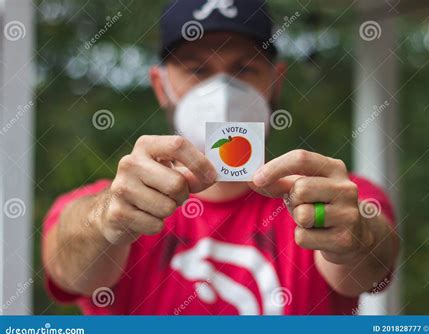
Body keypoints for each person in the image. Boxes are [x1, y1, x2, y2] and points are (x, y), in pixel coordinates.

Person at [42, 0, 398, 315]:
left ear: (276, 81)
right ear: (159, 85)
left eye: (244, 69)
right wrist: (105, 219)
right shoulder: (121, 205)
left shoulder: (332, 197)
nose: (223, 92)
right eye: (197, 70)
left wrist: (357, 235)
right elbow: (67, 266)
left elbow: (371, 263)